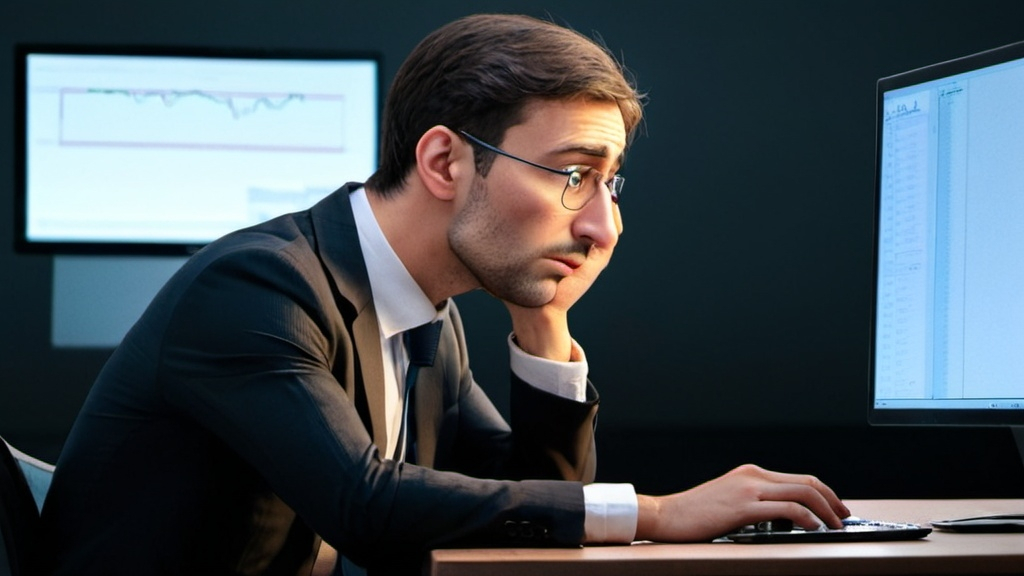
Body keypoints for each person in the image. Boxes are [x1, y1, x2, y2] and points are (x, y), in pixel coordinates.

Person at [39, 13, 850, 576]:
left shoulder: (431, 318)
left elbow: (537, 504)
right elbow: (366, 504)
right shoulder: (258, 287)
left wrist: (543, 320)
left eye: (610, 184)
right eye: (574, 177)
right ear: (444, 163)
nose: (605, 226)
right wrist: (660, 513)